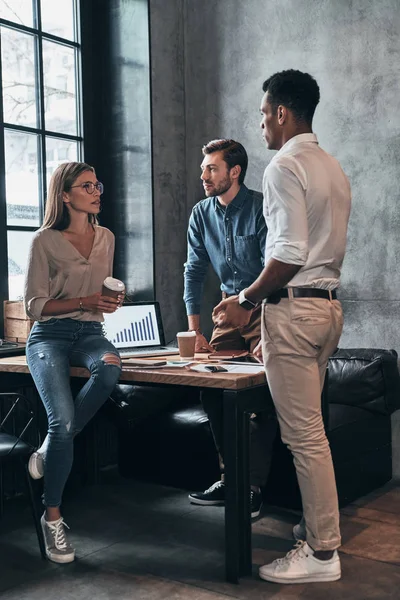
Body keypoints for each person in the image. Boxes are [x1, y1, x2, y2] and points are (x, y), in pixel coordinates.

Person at [213, 70, 351, 584]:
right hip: (327, 309)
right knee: (313, 434)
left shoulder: (282, 166)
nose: (260, 122)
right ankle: (318, 533)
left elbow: (289, 253)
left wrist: (246, 300)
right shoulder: (330, 166)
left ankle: (321, 555)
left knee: (304, 438)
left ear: (281, 113)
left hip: (293, 312)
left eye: (263, 112)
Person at [24, 162, 123, 564]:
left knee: (111, 367)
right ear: (65, 195)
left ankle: (49, 449)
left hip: (91, 335)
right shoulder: (44, 241)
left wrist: (110, 301)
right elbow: (34, 306)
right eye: (86, 186)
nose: (96, 190)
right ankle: (53, 519)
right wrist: (84, 301)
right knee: (61, 420)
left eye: (97, 184)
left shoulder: (107, 238)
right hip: (48, 336)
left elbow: (101, 295)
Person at [184, 139, 278, 518]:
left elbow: (274, 266)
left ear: (234, 172)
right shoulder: (200, 213)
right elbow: (194, 271)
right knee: (212, 389)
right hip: (226, 309)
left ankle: (252, 488)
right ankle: (229, 477)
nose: (203, 175)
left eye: (211, 169)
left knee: (263, 396)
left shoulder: (260, 207)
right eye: (204, 168)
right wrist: (195, 330)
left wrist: (266, 325)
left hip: (265, 305)